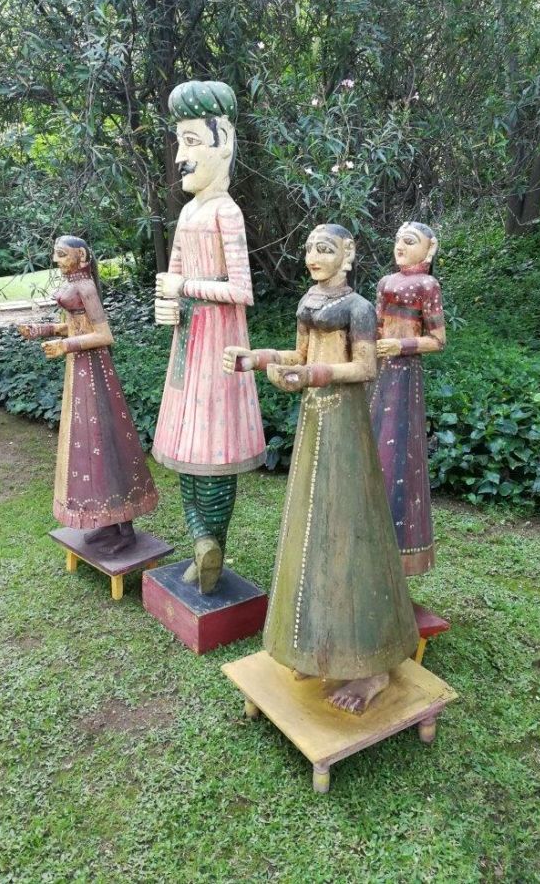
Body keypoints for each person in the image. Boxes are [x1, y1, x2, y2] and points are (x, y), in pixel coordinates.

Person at [224, 224, 418, 714]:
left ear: (347, 256)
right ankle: (317, 647)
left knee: (348, 527)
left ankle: (370, 666)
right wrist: (257, 359)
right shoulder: (308, 303)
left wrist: (314, 375)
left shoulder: (357, 308)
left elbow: (366, 368)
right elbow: (300, 355)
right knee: (311, 530)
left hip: (346, 429)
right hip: (315, 423)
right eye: (309, 248)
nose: (313, 256)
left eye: (325, 249)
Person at [152, 80, 266, 594]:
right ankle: (203, 543)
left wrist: (186, 287)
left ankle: (208, 541)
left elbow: (242, 288)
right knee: (188, 445)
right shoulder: (187, 212)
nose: (181, 155)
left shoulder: (226, 210)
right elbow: (172, 274)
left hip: (219, 345)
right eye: (180, 142)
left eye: (193, 141)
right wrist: (168, 299)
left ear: (225, 144)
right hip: (187, 345)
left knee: (215, 446)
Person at [18, 235, 158, 555]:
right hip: (80, 372)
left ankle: (125, 528)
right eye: (55, 254)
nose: (56, 260)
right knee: (89, 444)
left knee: (103, 441)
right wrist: (39, 331)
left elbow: (103, 334)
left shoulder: (87, 288)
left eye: (61, 254)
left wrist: (65, 346)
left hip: (95, 373)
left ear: (80, 256)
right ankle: (109, 522)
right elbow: (74, 325)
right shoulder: (75, 285)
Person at [370, 221, 446, 575]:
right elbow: (374, 328)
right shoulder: (386, 283)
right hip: (379, 373)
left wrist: (402, 345)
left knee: (400, 451)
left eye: (410, 241)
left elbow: (438, 340)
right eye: (398, 238)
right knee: (373, 443)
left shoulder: (428, 285)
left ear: (428, 249)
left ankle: (400, 547)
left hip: (405, 377)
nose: (400, 245)